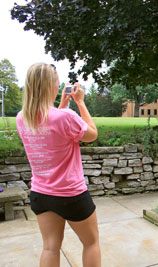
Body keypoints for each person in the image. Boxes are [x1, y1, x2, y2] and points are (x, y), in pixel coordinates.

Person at [16, 63, 100, 267]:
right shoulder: (66, 117)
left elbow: (51, 129)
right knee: (91, 243)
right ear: (51, 86)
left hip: (41, 194)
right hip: (70, 194)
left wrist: (61, 104)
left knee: (50, 247)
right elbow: (92, 135)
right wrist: (80, 103)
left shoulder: (22, 118)